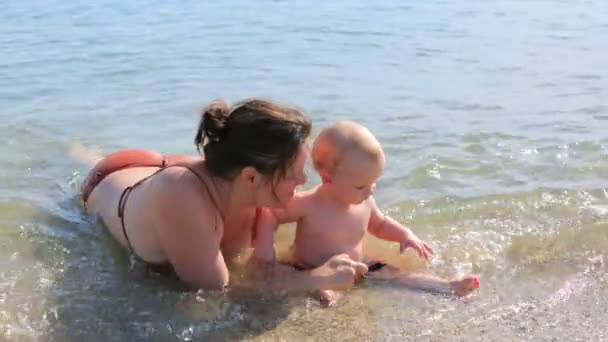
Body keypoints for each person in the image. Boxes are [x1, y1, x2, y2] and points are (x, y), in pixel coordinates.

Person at [78, 99, 368, 292]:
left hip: (174, 168)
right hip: (113, 177)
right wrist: (314, 279)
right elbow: (217, 293)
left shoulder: (259, 189)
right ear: (252, 176)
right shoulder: (184, 202)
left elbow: (330, 222)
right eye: (295, 173)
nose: (304, 181)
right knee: (79, 156)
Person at [253, 120, 480, 306]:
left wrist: (405, 235)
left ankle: (448, 286)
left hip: (362, 266)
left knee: (397, 276)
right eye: (361, 186)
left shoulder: (365, 200)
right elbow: (270, 214)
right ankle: (329, 293)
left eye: (374, 182)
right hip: (313, 268)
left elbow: (380, 224)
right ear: (327, 178)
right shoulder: (310, 203)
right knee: (323, 292)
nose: (370, 190)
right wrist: (265, 253)